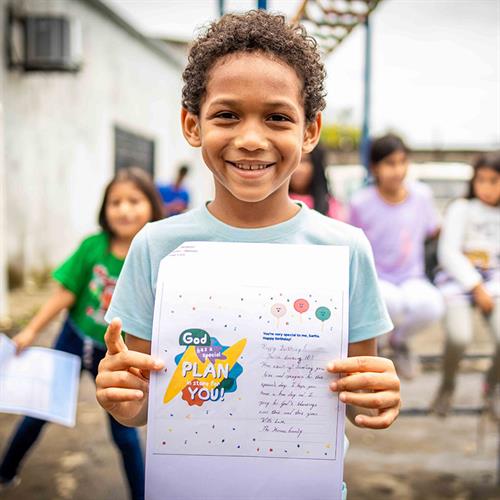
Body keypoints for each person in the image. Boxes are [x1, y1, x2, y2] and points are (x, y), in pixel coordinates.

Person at [95, 11, 401, 499]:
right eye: (227, 115)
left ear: (310, 131)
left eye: (277, 117)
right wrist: (123, 399)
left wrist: (377, 396)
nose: (252, 139)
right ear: (192, 125)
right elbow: (143, 405)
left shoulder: (345, 250)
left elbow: (357, 400)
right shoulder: (156, 247)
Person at [0, 167, 164, 499]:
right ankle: (5, 472)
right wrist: (31, 330)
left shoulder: (157, 255)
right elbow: (65, 294)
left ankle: (141, 494)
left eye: (134, 201)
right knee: (39, 409)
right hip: (73, 338)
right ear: (104, 209)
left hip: (117, 353)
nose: (124, 209)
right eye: (115, 202)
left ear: (152, 206)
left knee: (125, 433)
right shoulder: (92, 247)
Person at [349, 134, 444, 379]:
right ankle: (379, 347)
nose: (398, 170)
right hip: (377, 278)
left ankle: (397, 342)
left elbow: (433, 229)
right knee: (390, 302)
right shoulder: (361, 202)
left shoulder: (422, 196)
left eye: (402, 162)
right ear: (375, 168)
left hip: (413, 277)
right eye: (390, 163)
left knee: (431, 305)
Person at [431, 152, 500, 417]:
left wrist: (487, 289)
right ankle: (447, 385)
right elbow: (448, 253)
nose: (486, 187)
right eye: (481, 180)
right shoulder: (461, 208)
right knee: (459, 337)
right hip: (458, 283)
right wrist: (475, 286)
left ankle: (491, 387)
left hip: (494, 285)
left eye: (493, 181)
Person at [289, 144, 346, 220]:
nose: (298, 169)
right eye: (293, 161)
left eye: (304, 161)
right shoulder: (276, 205)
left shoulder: (331, 206)